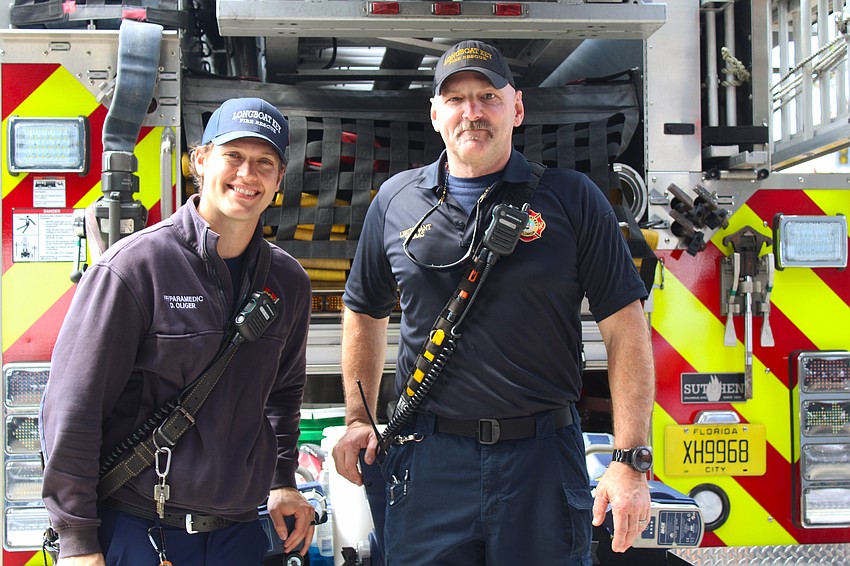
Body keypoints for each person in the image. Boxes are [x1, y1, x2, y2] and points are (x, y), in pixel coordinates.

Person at [332, 40, 656, 564]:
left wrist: (630, 460)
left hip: (542, 459)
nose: (473, 112)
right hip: (428, 459)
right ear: (435, 114)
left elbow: (625, 327)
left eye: (488, 96)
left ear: (518, 108)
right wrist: (356, 418)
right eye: (457, 100)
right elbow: (364, 310)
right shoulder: (394, 201)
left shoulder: (572, 199)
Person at [41, 97, 316, 565]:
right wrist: (77, 541)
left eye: (264, 163)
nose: (248, 175)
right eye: (234, 157)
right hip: (140, 532)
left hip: (240, 535)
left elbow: (283, 394)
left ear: (278, 181)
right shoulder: (134, 268)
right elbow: (74, 408)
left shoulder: (288, 282)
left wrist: (282, 481)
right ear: (201, 160)